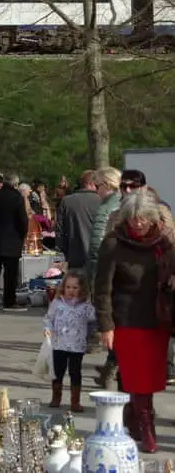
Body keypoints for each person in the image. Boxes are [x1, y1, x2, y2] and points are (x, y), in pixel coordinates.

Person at [94, 190, 175, 453]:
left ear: (153, 218)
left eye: (142, 218)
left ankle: (130, 419)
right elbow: (102, 289)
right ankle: (147, 429)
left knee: (149, 379)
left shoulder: (164, 243)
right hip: (126, 319)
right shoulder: (113, 244)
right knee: (138, 378)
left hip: (157, 319)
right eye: (132, 218)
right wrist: (105, 325)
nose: (137, 223)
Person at [43, 270, 96, 412]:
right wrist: (48, 328)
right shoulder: (57, 303)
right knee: (58, 371)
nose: (71, 291)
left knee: (75, 372)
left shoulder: (86, 306)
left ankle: (75, 401)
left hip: (77, 345)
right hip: (59, 344)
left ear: (82, 289)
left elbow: (93, 321)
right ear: (63, 287)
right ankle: (56, 397)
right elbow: (49, 318)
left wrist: (91, 335)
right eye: (68, 287)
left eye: (75, 288)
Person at [0, 173, 29, 312]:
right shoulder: (16, 198)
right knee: (10, 273)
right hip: (13, 239)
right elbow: (22, 220)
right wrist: (22, 234)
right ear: (15, 184)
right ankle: (9, 300)